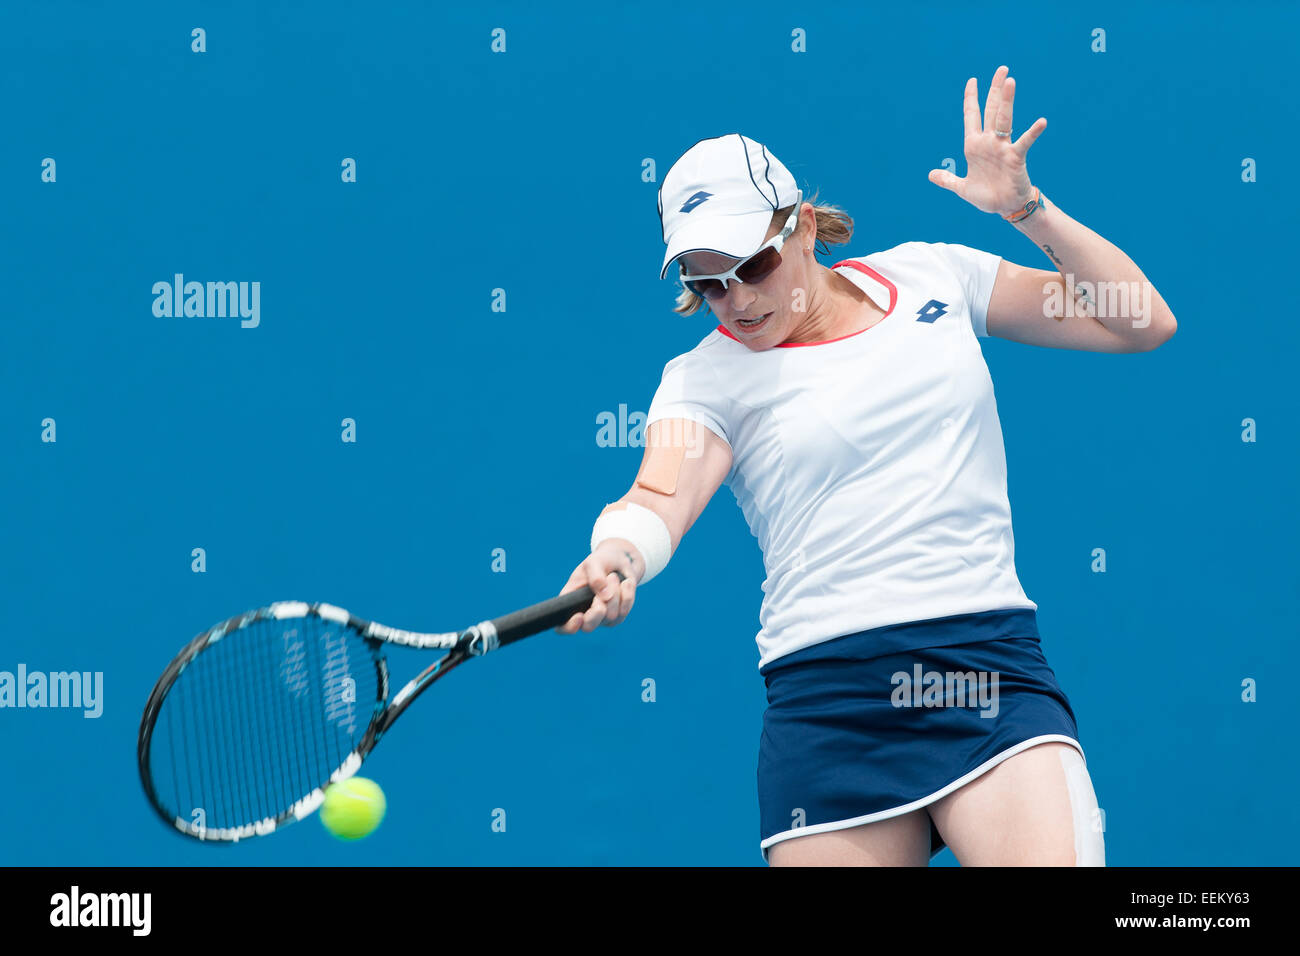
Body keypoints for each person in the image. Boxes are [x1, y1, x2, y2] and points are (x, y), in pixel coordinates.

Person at [556, 66, 1176, 866]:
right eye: (708, 284)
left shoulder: (936, 277)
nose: (737, 299)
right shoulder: (702, 379)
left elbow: (1139, 322)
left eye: (753, 266)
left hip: (981, 669)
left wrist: (1026, 209)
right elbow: (656, 496)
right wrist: (618, 554)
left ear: (804, 228)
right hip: (828, 704)